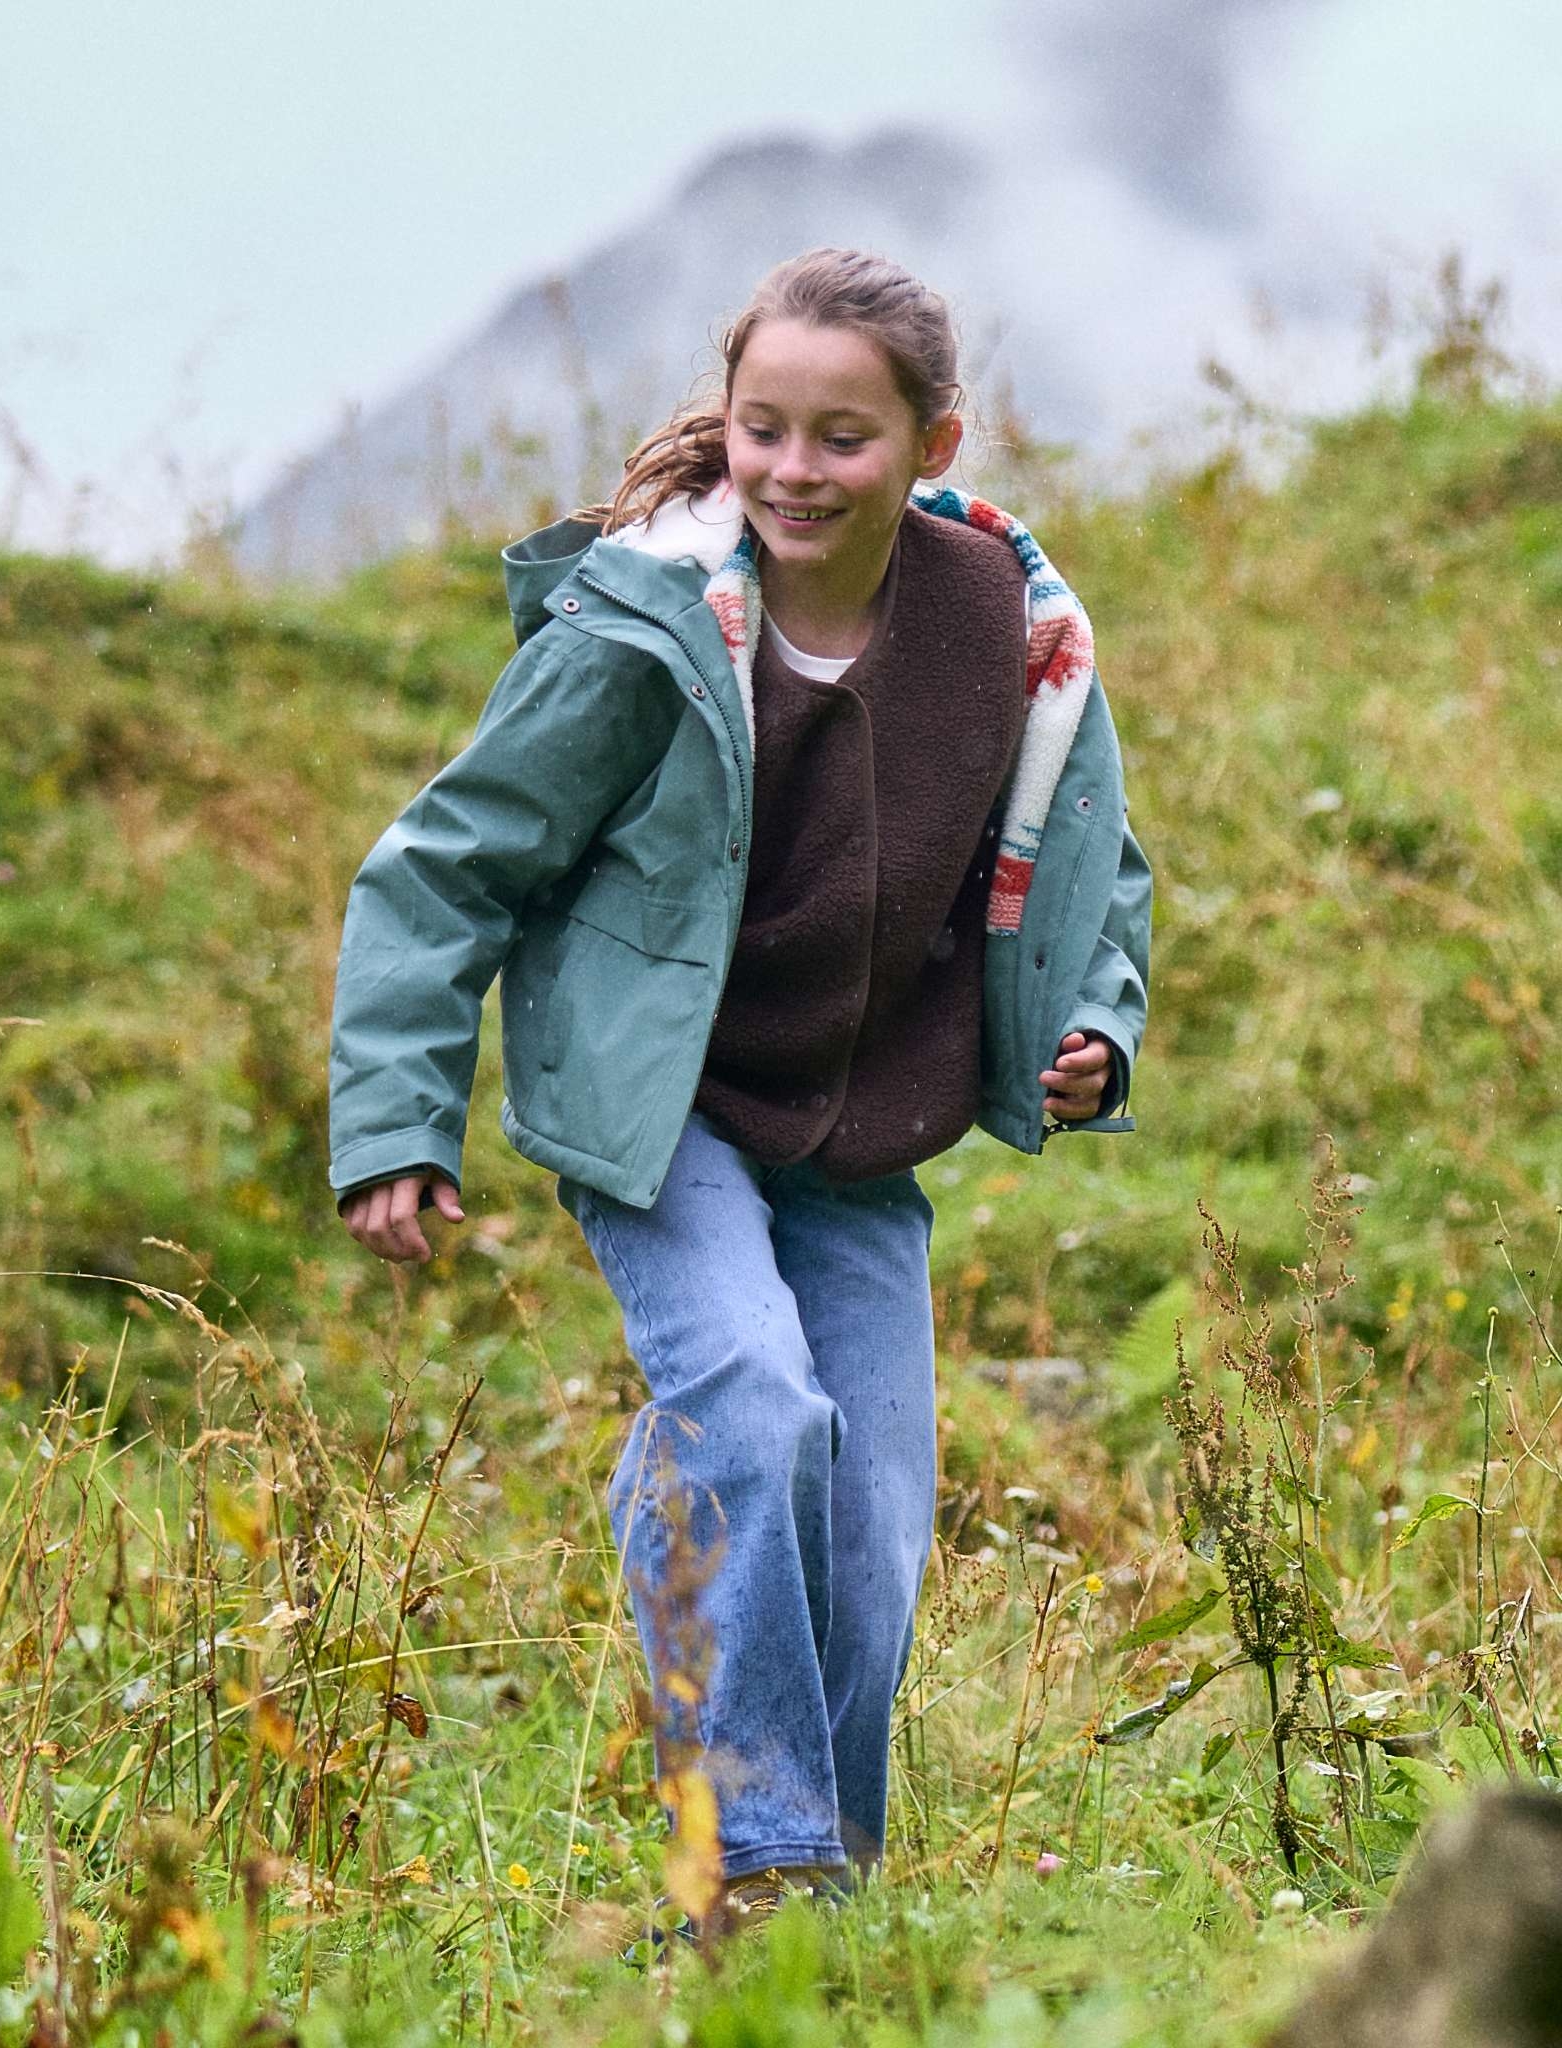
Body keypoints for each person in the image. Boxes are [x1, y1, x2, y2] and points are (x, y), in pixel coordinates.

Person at [326, 248, 1151, 1915]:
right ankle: (756, 1872)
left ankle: (826, 1876)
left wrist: (1097, 1027)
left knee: (876, 1523)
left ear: (933, 443)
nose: (790, 467)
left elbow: (1094, 866)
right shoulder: (644, 629)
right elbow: (444, 867)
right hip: (666, 1116)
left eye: (842, 437)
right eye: (762, 424)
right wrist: (398, 1120)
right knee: (763, 1420)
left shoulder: (1009, 632)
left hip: (864, 1131)